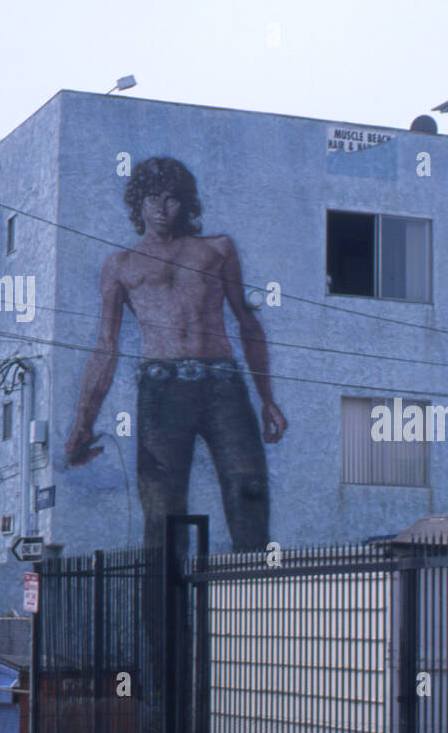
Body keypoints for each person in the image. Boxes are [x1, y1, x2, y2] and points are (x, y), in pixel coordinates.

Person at [64, 156, 286, 553]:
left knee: (248, 494)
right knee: (162, 516)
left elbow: (248, 324)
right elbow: (105, 347)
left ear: (185, 204)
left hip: (223, 384)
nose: (162, 209)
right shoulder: (120, 265)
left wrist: (268, 399)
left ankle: (254, 608)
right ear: (139, 204)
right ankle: (161, 615)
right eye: (153, 199)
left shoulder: (216, 250)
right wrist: (83, 422)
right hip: (162, 390)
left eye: (172, 199)